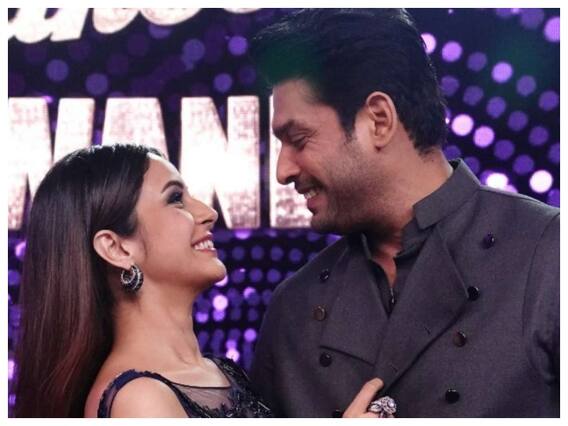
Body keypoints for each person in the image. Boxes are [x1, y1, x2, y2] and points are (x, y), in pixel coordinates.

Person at [249, 8, 559, 417]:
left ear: (378, 120)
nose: (283, 170)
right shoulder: (293, 310)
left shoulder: (549, 255)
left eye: (299, 139)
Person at [13, 144, 273, 418]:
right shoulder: (138, 400)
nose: (209, 213)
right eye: (175, 198)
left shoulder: (224, 372)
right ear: (117, 248)